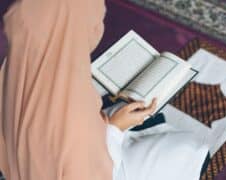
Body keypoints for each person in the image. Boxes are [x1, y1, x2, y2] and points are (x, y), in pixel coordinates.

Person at [0, 0, 209, 179]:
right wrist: (115, 128)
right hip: (94, 165)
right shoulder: (74, 133)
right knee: (192, 151)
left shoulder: (16, 71)